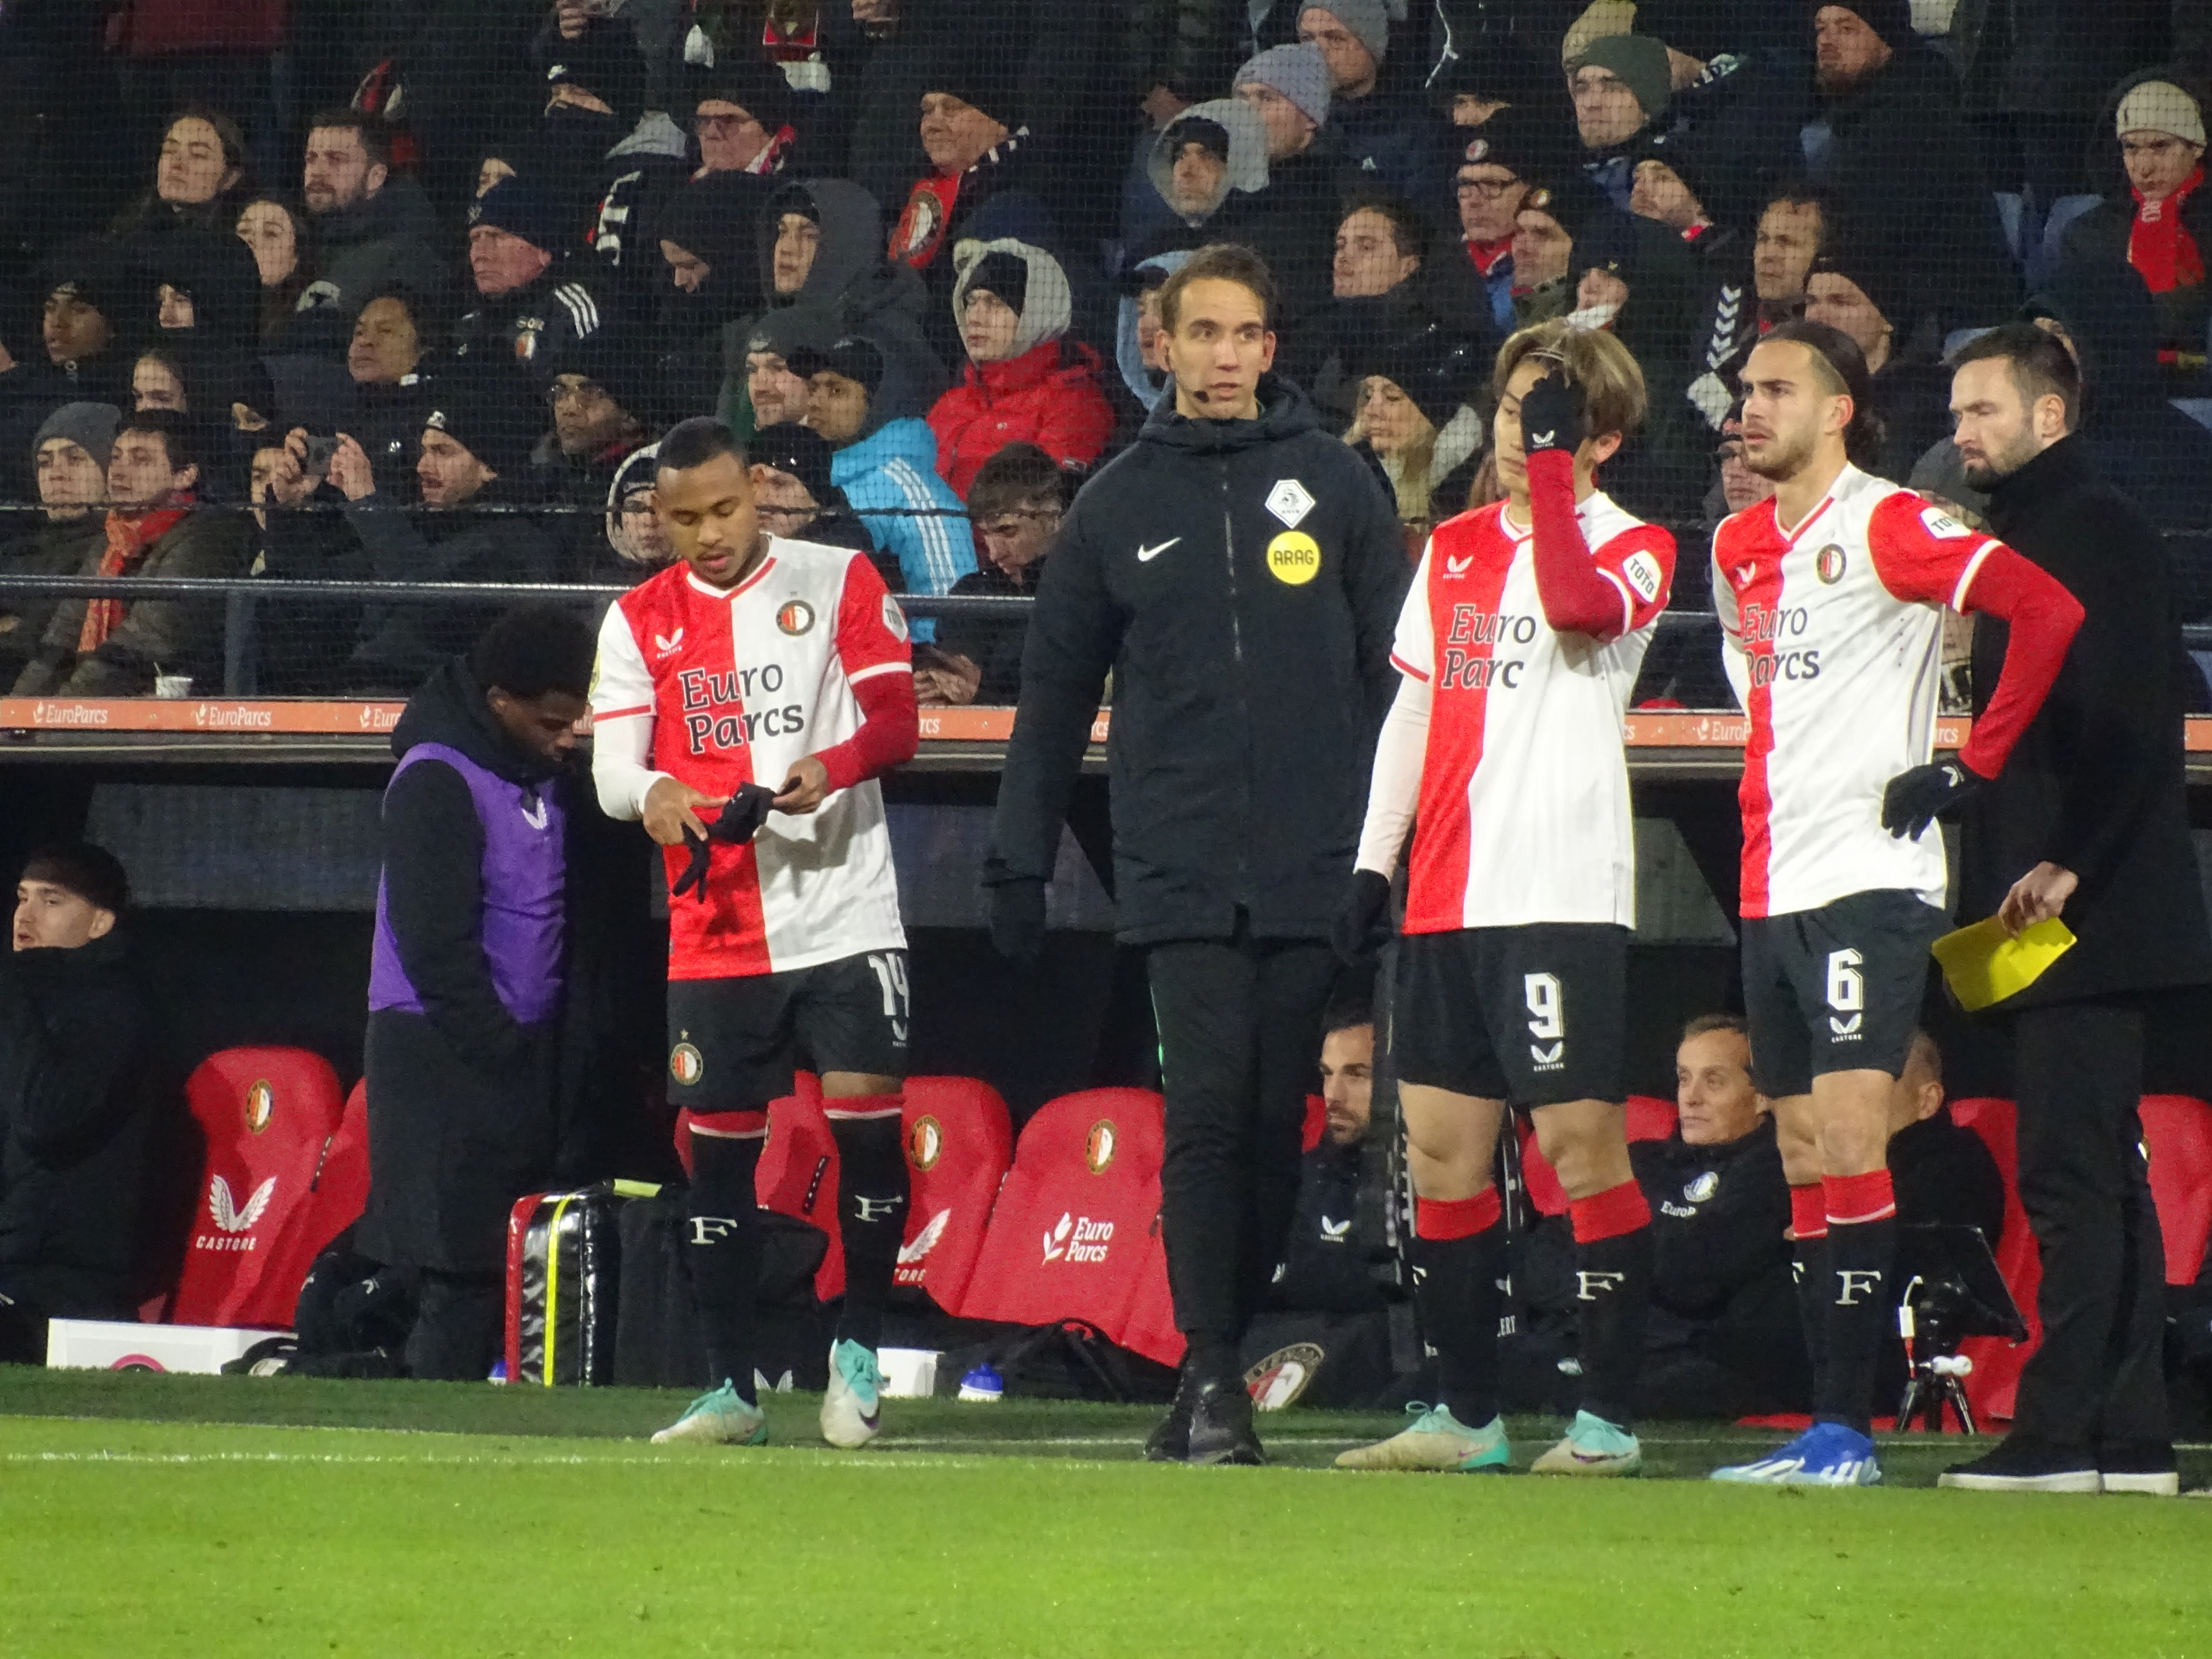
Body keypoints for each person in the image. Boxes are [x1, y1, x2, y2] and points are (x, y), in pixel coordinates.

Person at [987, 243, 1408, 1465]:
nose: (1224, 357)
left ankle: (1205, 1373)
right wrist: (1018, 856)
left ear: (1270, 350)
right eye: (1203, 334)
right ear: (1161, 345)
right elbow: (1054, 698)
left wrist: (1397, 846)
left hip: (1318, 864)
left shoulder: (1337, 486)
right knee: (1210, 1117)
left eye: (1245, 335)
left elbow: (1402, 685)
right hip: (1174, 868)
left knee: (1280, 1122)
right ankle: (1217, 1370)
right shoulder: (1115, 502)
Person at [1707, 319, 2084, 1488]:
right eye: (1744, 389)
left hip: (1869, 879)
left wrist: (1976, 764)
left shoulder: (1889, 520)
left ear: (1841, 411)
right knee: (1808, 1150)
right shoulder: (1732, 545)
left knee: (1856, 1138)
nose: (1749, 408)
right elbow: (1750, 677)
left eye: (1778, 389)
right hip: (1771, 878)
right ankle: (1832, 1427)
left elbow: (2048, 612)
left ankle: (1847, 1436)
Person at [1334, 320, 1676, 1479]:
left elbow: (1579, 607)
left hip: (1558, 888)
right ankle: (1465, 1417)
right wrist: (1373, 864)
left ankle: (1609, 1426)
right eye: (1523, 404)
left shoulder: (1636, 546)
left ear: (1603, 436)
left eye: (1556, 414)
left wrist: (1548, 474)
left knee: (1579, 1151)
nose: (1530, 426)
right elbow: (1416, 714)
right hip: (1445, 894)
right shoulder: (1459, 547)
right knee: (1441, 1155)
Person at [589, 416, 921, 1450]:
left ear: (755, 494)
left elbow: (898, 724)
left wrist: (836, 766)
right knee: (717, 1167)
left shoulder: (839, 579)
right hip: (720, 927)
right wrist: (656, 793)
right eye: (681, 518)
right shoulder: (636, 620)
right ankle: (731, 1386)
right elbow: (612, 773)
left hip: (846, 911)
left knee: (867, 1133)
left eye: (723, 509)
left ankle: (856, 1348)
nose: (706, 533)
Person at [1937, 324, 2212, 1497]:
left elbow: (2131, 717)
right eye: (1957, 414)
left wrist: (2070, 866)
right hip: (2085, 905)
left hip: (2079, 913)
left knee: (2067, 1172)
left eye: (1985, 412)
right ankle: (2129, 1438)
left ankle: (2059, 1437)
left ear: (2052, 416)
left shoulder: (2088, 531)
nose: (1964, 433)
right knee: (2095, 1169)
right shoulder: (2049, 532)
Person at [359, 606, 596, 1381]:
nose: (568, 738)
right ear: (498, 703)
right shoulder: (435, 776)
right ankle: (427, 1434)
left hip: (509, 1052)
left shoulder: (538, 776)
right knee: (452, 1269)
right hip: (439, 1051)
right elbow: (431, 939)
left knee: (492, 1270)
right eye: (552, 722)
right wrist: (498, 1044)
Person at [291, 362, 556, 691]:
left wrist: (368, 505)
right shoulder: (421, 529)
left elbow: (436, 615)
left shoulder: (517, 543)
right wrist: (290, 512)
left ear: (490, 467)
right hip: (355, 690)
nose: (422, 466)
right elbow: (308, 598)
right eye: (424, 451)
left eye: (442, 452)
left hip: (433, 702)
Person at [0, 844, 160, 1363]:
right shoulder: (30, 1000)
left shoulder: (112, 1011)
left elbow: (45, 1119)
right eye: (22, 899)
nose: (25, 916)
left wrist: (16, 994)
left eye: (52, 902)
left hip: (61, 1290)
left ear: (99, 923)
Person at [1799, 2, 2016, 334]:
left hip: (1953, 328)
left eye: (1846, 29)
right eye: (1821, 29)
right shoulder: (1861, 114)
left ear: (1888, 43)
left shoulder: (1914, 119)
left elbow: (1872, 241)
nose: (1827, 41)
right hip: (1902, 315)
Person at [1634, 1013, 1809, 1418]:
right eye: (1683, 1078)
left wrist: (1621, 1259)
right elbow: (1550, 1255)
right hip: (1644, 1341)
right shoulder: (1643, 1160)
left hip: (1720, 1363)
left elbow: (1695, 1274)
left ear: (1763, 1095)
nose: (1690, 1097)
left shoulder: (1779, 1167)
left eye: (1714, 1081)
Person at [13, 409, 247, 696]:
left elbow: (143, 642)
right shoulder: (111, 540)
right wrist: (14, 715)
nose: (120, 472)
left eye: (141, 460)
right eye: (115, 458)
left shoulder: (207, 536)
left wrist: (62, 713)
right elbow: (62, 636)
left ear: (184, 475)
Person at [793, 334, 977, 619]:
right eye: (814, 388)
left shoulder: (906, 488)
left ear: (878, 403)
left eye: (836, 391)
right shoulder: (809, 477)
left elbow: (948, 607)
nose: (816, 402)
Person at [926, 238, 1112, 498]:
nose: (975, 317)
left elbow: (1041, 517)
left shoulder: (1072, 405)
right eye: (971, 301)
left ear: (1033, 314)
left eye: (996, 303)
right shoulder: (950, 405)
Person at [2058, 72, 2212, 374]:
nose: (2144, 166)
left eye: (2160, 146)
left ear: (2196, 148)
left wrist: (2116, 317)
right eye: (2131, 147)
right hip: (2109, 385)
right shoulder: (2087, 233)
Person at [919, 441, 1066, 706]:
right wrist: (932, 684)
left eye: (1008, 532)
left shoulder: (1086, 596)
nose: (995, 552)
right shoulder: (968, 596)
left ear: (1055, 520)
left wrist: (982, 697)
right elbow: (954, 681)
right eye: (985, 534)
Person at [286, 109, 443, 353]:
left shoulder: (410, 253)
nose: (317, 171)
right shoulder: (300, 236)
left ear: (375, 177)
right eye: (311, 158)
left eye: (336, 159)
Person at [1802, 238, 1950, 483]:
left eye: (1840, 302)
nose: (1818, 316)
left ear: (1888, 319)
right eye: (1811, 302)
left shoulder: (1918, 402)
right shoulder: (1796, 393)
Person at [1685, 185, 1827, 438]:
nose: (1768, 255)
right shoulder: (1726, 305)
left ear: (1821, 257)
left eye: (1787, 243)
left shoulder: (1827, 339)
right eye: (1763, 239)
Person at [450, 177, 610, 388]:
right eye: (474, 239)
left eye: (496, 237)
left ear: (543, 251)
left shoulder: (571, 311)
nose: (479, 254)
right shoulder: (469, 322)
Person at [2, 405, 118, 687]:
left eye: (75, 459)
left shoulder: (112, 551)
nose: (56, 474)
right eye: (45, 462)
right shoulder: (13, 552)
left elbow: (32, 641)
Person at [1342, 325, 1488, 540]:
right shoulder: (1350, 470)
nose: (1372, 410)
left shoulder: (1467, 489)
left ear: (1431, 420)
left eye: (1392, 398)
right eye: (1368, 395)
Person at [1296, 1, 1443, 205]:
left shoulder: (1421, 129)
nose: (1317, 52)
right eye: (1307, 39)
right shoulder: (1294, 121)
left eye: (1335, 38)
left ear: (1371, 44)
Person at [1569, 32, 1673, 211]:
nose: (1591, 104)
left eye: (1613, 88)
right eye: (1582, 88)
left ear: (1647, 108)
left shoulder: (1673, 172)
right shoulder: (1561, 177)